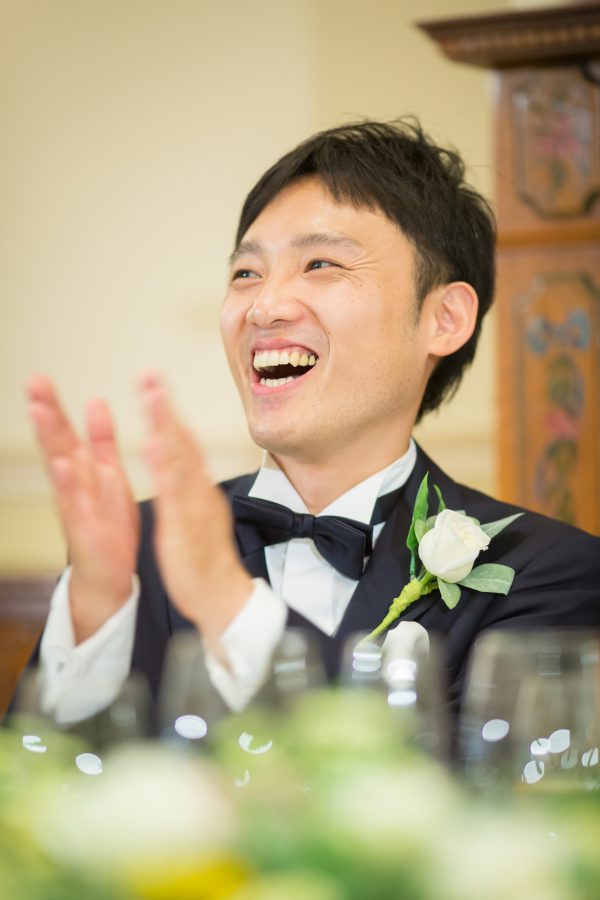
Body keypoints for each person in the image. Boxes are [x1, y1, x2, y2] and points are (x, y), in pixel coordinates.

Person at [25, 119, 600, 727]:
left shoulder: (551, 572)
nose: (264, 307)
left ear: (445, 319)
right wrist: (95, 608)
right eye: (246, 274)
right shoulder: (137, 548)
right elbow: (42, 778)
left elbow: (457, 783)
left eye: (321, 263)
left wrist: (229, 604)